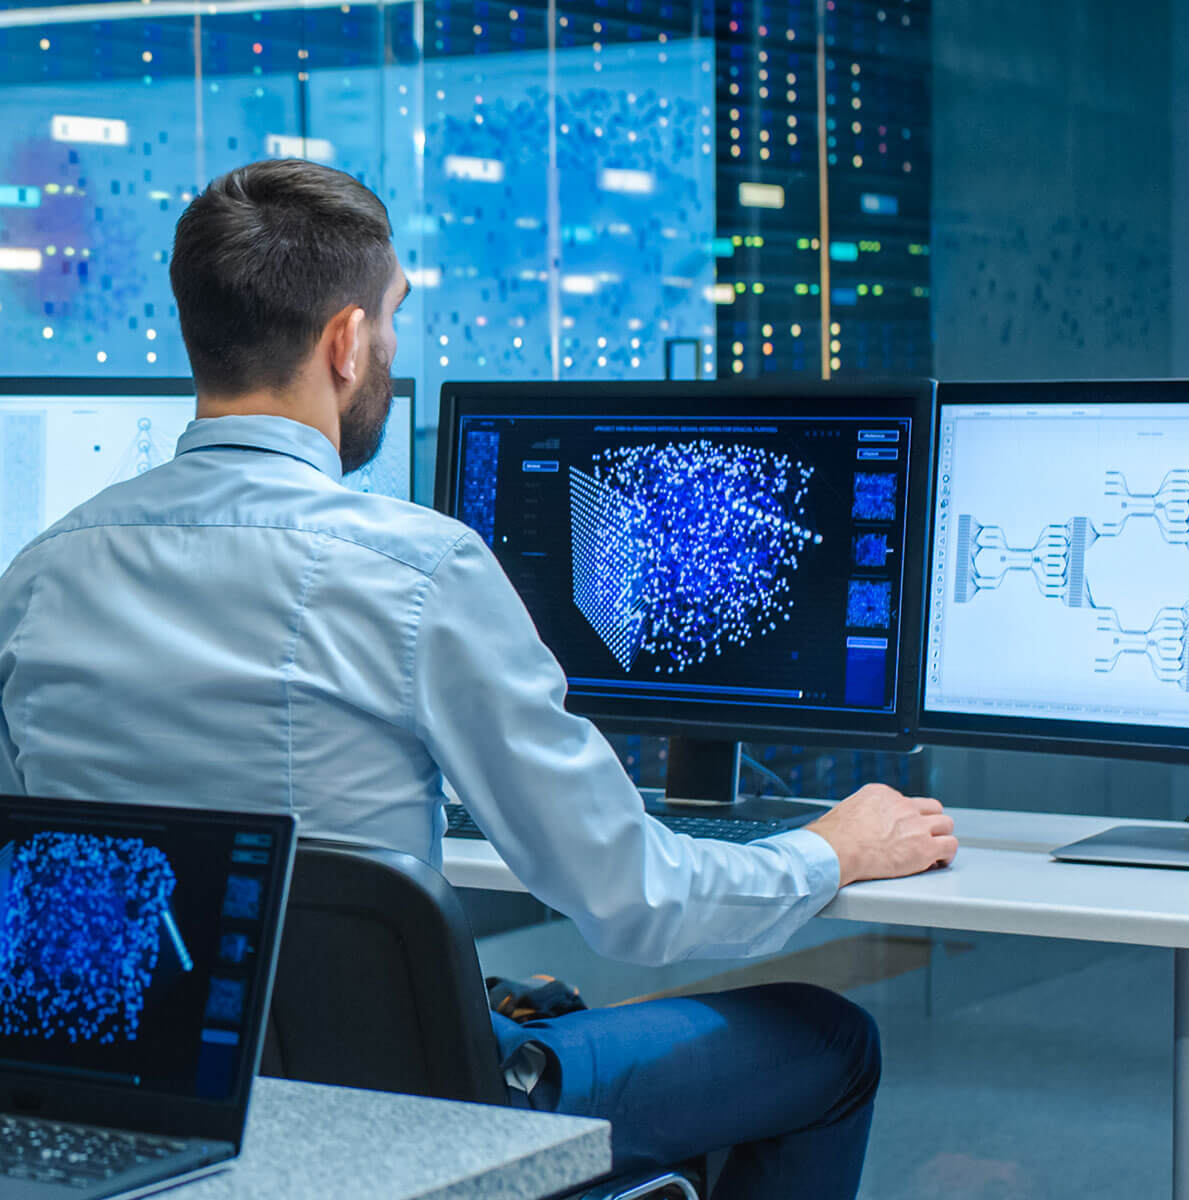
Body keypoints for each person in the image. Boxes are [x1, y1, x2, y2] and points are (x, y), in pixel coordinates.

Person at [0, 159, 956, 1199]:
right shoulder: (418, 570)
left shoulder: (44, 570)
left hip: (147, 1117)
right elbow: (634, 902)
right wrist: (829, 851)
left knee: (535, 996)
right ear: (346, 341)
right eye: (393, 320)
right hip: (403, 1124)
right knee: (825, 1040)